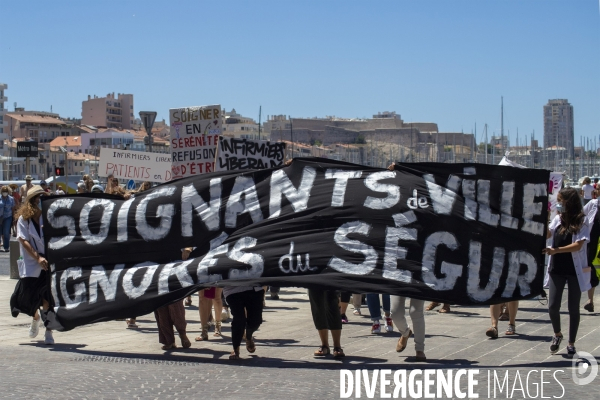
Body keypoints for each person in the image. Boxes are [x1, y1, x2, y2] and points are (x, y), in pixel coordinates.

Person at [543, 187, 591, 357]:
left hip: (574, 270)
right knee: (553, 306)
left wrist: (556, 250)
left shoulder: (582, 221)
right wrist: (544, 221)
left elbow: (578, 245)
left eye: (560, 200)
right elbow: (548, 234)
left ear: (568, 202)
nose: (559, 203)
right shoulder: (557, 218)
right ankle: (557, 334)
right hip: (557, 269)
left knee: (573, 308)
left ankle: (571, 343)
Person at [9, 185, 54, 344]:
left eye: (42, 197)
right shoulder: (24, 219)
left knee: (47, 298)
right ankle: (35, 318)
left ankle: (49, 331)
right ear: (31, 202)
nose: (40, 200)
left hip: (47, 262)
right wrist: (37, 258)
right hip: (31, 263)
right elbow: (24, 240)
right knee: (29, 299)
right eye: (37, 198)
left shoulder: (48, 217)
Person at [224, 284, 264, 360]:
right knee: (239, 319)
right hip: (232, 289)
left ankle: (248, 336)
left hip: (253, 287)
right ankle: (236, 349)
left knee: (256, 321)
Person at [308, 289, 345, 358]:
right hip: (314, 280)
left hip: (331, 280)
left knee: (332, 304)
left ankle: (337, 346)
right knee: (317, 306)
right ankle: (324, 345)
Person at [390, 296, 426, 361]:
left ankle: (420, 348)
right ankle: (406, 333)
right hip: (399, 286)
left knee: (416, 312)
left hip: (418, 286)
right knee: (395, 312)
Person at [582, 194, 600, 312]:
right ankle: (590, 301)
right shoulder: (593, 204)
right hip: (593, 244)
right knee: (591, 268)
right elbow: (581, 215)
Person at [0, 186, 16, 252]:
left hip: (8, 217)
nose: (5, 193)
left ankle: (6, 247)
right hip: (0, 216)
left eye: (6, 192)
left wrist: (13, 217)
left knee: (6, 232)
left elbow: (13, 209)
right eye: (3, 191)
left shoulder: (11, 199)